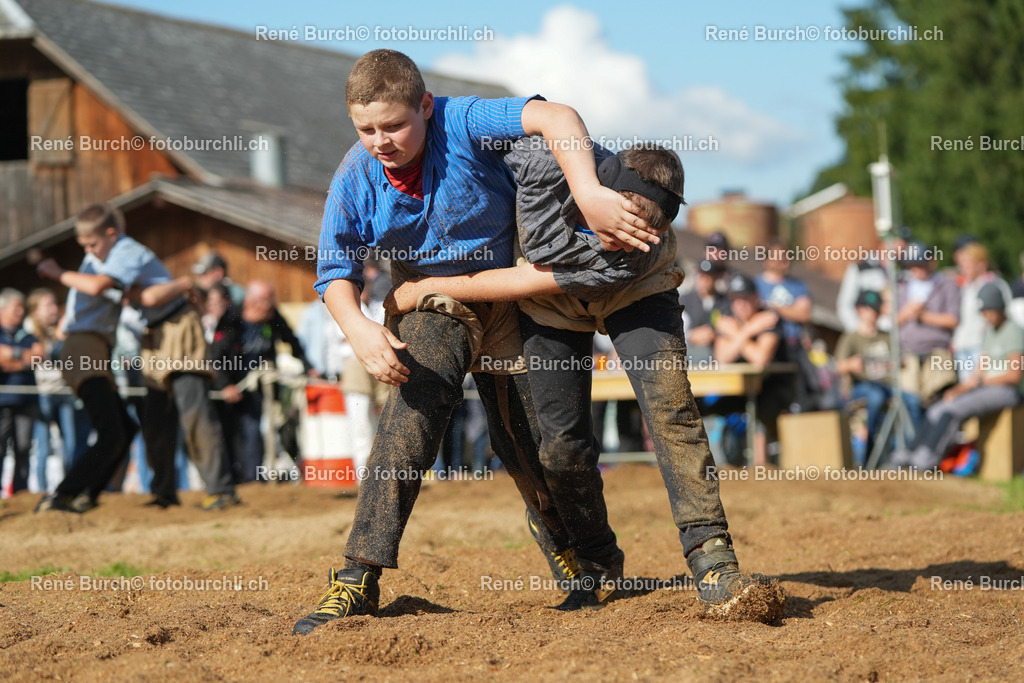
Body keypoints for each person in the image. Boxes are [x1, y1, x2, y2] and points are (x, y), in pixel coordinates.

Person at [293, 48, 659, 635]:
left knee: (539, 447)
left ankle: (587, 558)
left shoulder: (462, 120)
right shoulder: (356, 175)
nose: (381, 141)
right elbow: (336, 270)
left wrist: (589, 191)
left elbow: (556, 116)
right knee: (415, 409)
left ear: (425, 107)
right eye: (366, 130)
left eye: (394, 126)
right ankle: (358, 575)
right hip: (431, 297)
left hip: (514, 288)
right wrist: (358, 328)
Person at [387, 139, 785, 619]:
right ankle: (596, 561)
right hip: (549, 302)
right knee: (561, 446)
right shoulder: (545, 171)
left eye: (643, 234)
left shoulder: (637, 253)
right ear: (600, 194)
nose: (624, 240)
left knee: (672, 412)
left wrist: (426, 288)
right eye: (620, 227)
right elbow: (504, 136)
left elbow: (540, 276)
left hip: (636, 289)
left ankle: (712, 557)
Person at [34, 206, 141, 512]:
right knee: (112, 432)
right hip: (83, 352)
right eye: (85, 245)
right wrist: (56, 272)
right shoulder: (101, 262)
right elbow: (95, 286)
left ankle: (87, 495)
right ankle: (61, 496)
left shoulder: (109, 259)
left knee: (125, 428)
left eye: (92, 243)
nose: (89, 251)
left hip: (94, 352)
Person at [890, 283, 1024, 469]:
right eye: (983, 312)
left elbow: (1014, 376)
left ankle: (926, 458)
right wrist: (959, 389)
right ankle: (910, 451)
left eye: (989, 311)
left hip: (1007, 391)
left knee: (954, 410)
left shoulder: (1013, 331)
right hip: (986, 386)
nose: (986, 316)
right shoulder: (989, 331)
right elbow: (979, 370)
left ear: (999, 307)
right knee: (937, 409)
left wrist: (983, 381)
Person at [210, 279, 314, 483]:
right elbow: (216, 355)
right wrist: (225, 385)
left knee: (260, 429)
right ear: (252, 301)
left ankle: (255, 478)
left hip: (263, 385)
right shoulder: (231, 318)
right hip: (234, 387)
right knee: (234, 432)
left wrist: (308, 367)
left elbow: (292, 340)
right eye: (267, 300)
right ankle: (239, 479)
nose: (271, 304)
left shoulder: (272, 316)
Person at [834, 290, 920, 464]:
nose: (874, 313)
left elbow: (902, 360)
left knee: (912, 401)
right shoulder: (851, 338)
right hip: (862, 387)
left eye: (876, 309)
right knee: (875, 397)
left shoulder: (886, 336)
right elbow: (836, 367)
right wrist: (850, 364)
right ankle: (869, 452)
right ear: (860, 310)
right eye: (870, 309)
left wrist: (897, 363)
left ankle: (913, 452)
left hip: (887, 386)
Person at [25, 288, 91, 491]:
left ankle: (68, 488)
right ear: (36, 311)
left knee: (70, 444)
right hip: (42, 393)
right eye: (48, 305)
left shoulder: (60, 331)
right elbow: (36, 359)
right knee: (43, 447)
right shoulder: (28, 331)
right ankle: (41, 491)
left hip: (64, 392)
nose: (54, 309)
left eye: (55, 304)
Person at [896, 242, 960, 405]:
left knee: (935, 398)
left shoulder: (946, 285)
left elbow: (953, 320)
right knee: (910, 399)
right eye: (912, 266)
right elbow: (892, 321)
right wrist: (907, 312)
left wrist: (923, 315)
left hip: (937, 353)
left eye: (920, 264)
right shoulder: (902, 286)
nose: (917, 270)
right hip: (909, 354)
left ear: (932, 261)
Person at [0, 289, 42, 496]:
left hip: (27, 400)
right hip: (2, 402)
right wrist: (23, 359)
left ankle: (20, 493)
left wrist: (10, 357)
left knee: (24, 448)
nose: (21, 311)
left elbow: (38, 357)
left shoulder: (28, 335)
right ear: (2, 308)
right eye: (16, 307)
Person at [951, 242, 1013, 382]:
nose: (963, 268)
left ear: (981, 264)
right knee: (966, 388)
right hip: (963, 347)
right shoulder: (967, 286)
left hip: (982, 347)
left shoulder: (995, 284)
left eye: (967, 264)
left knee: (980, 386)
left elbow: (1004, 316)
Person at [679, 259, 729, 365]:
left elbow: (729, 326)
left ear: (716, 278)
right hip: (690, 356)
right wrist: (690, 336)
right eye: (701, 275)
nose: (703, 279)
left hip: (716, 355)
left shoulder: (724, 302)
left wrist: (714, 334)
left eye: (708, 276)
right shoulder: (685, 300)